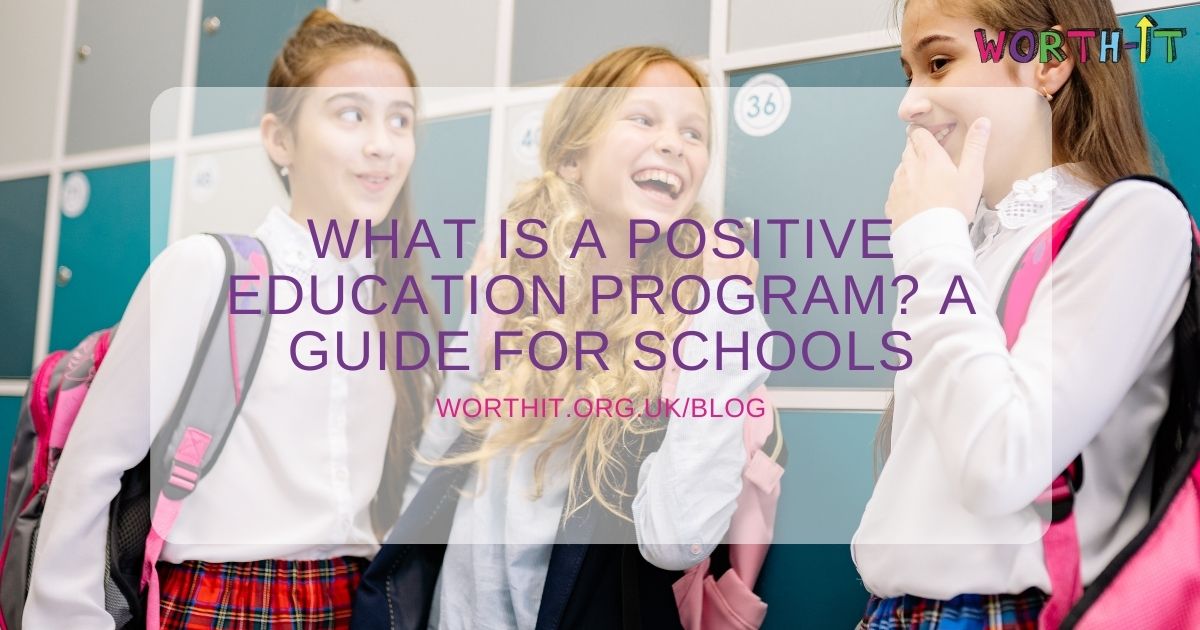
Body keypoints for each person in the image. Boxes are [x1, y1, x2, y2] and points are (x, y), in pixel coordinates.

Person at [23, 9, 440, 629]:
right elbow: (90, 474)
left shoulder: (390, 306)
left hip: (352, 603)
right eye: (351, 113)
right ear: (279, 139)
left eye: (399, 119)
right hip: (223, 603)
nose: (382, 143)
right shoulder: (206, 271)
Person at [382, 45, 771, 629]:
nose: (674, 144)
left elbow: (678, 541)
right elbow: (436, 464)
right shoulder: (507, 286)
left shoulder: (699, 323)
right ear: (571, 158)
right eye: (643, 119)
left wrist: (725, 310)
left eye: (694, 132)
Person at [853, 0, 1192, 627]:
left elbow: (1001, 461)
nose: (910, 103)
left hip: (1009, 614)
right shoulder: (966, 243)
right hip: (896, 612)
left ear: (1050, 60)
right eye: (911, 74)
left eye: (939, 61)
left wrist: (930, 239)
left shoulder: (1132, 221)